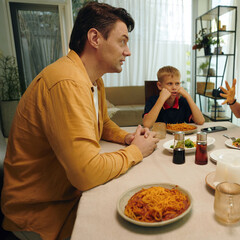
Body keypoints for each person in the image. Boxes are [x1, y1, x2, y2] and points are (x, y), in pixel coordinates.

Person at [1, 2, 159, 240]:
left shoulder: (92, 79)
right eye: (122, 41)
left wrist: (127, 138)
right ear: (95, 38)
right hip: (40, 215)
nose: (128, 51)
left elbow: (103, 123)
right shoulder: (68, 81)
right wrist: (136, 151)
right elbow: (86, 174)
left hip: (64, 197)